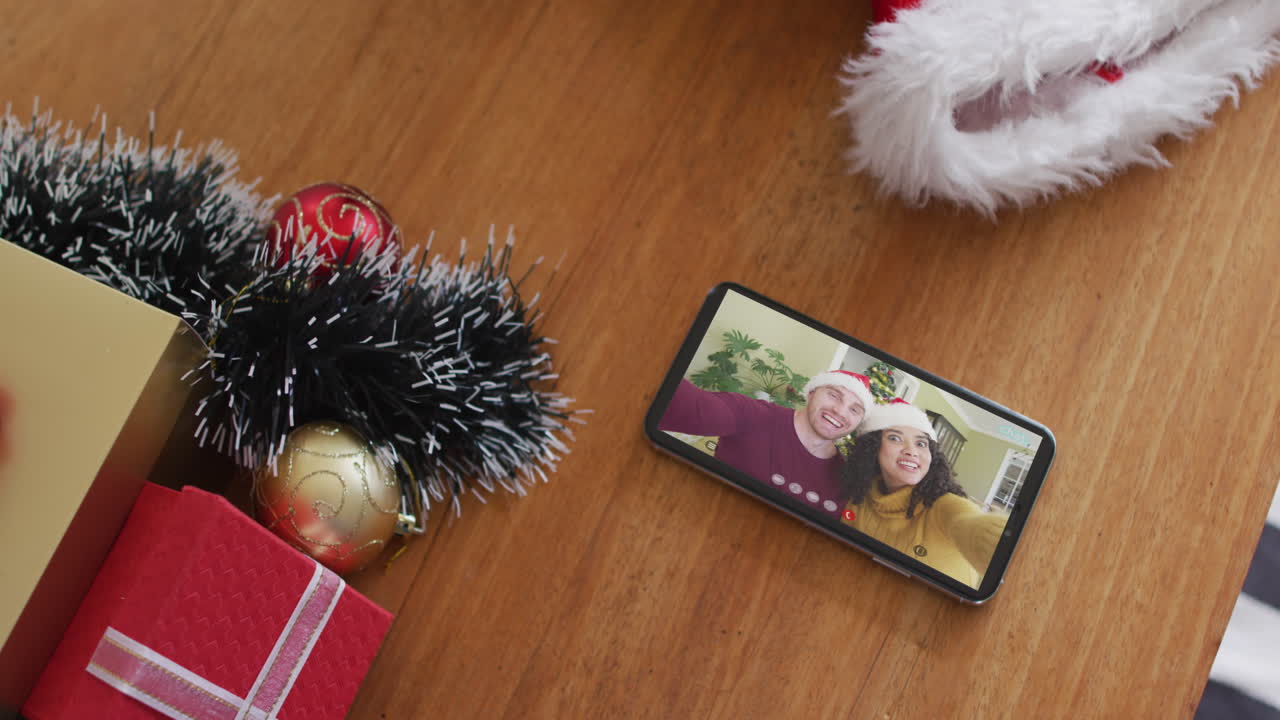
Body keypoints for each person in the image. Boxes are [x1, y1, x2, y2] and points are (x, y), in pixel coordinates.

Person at [839, 398, 1006, 588]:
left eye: (921, 443)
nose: (912, 451)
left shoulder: (944, 505)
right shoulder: (859, 496)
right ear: (872, 448)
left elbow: (968, 524)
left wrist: (1002, 546)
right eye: (895, 438)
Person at [658, 370, 873, 517]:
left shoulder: (846, 479)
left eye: (854, 409)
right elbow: (692, 408)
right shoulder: (752, 415)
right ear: (811, 393)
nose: (840, 411)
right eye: (834, 395)